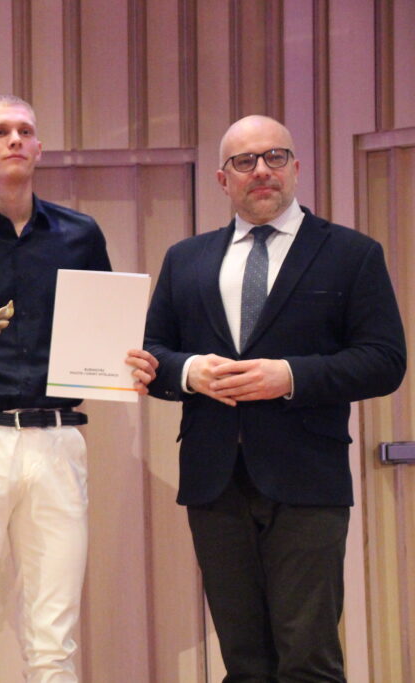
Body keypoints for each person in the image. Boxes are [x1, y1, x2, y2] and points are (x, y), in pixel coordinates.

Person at [0, 95, 157, 681]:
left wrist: (131, 364)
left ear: (39, 147)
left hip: (58, 442)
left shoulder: (80, 235)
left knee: (54, 644)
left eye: (24, 131)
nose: (14, 139)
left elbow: (107, 330)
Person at [144, 114, 406, 681]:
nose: (261, 170)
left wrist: (289, 376)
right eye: (245, 161)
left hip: (307, 481)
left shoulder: (351, 254)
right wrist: (189, 372)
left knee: (307, 659)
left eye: (275, 157)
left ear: (296, 168)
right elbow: (152, 354)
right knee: (243, 663)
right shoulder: (184, 259)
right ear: (223, 179)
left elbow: (385, 361)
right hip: (215, 482)